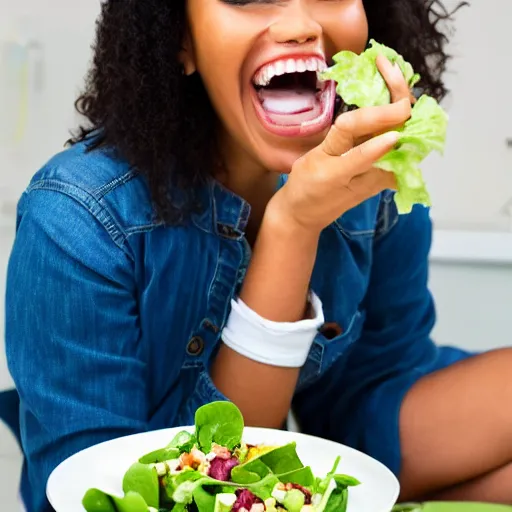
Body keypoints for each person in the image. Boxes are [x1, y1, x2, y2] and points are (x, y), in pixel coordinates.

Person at [5, 1, 512, 510]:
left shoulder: (374, 183)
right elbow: (108, 494)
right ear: (181, 38)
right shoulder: (78, 220)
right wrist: (293, 227)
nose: (300, 25)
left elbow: (370, 407)